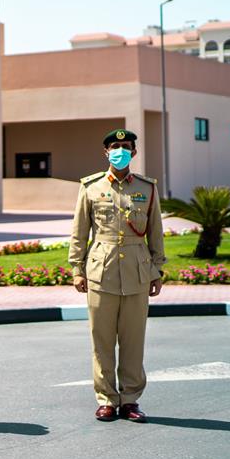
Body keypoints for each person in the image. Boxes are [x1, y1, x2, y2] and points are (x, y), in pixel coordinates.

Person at [68, 128, 165, 423]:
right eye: (114, 146)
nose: (119, 150)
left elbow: (155, 231)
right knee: (102, 341)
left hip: (137, 272)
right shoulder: (90, 187)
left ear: (134, 152)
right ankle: (107, 399)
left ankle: (130, 400)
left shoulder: (147, 188)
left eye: (125, 146)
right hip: (101, 271)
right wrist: (77, 268)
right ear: (106, 152)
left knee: (134, 341)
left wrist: (157, 270)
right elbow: (79, 232)